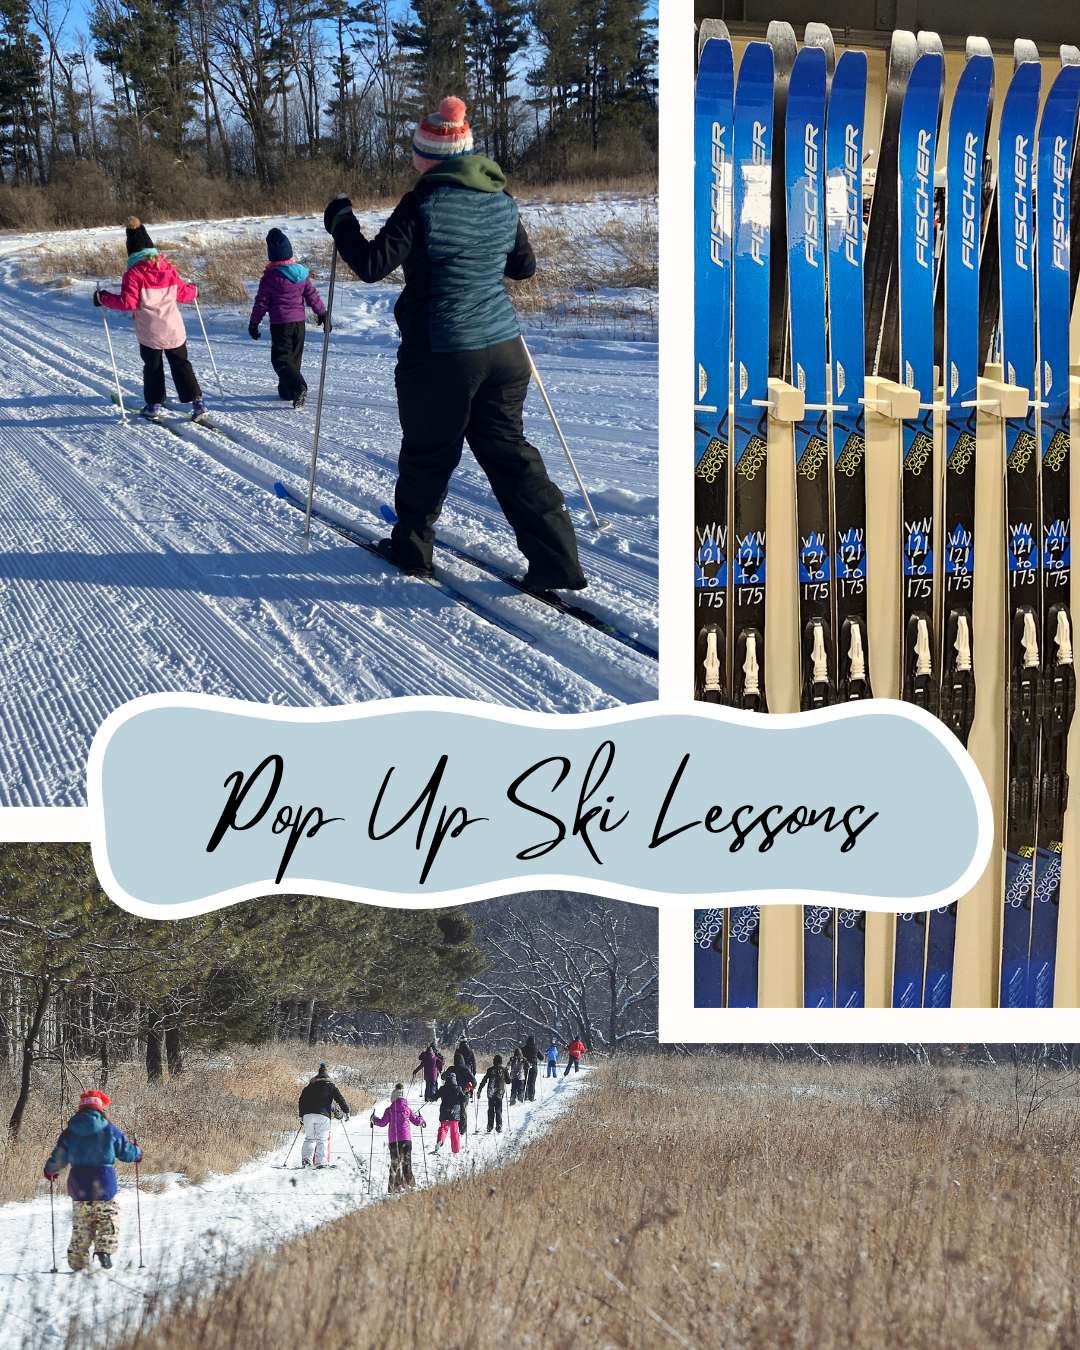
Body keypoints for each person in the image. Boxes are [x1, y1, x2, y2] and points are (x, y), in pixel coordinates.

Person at [322, 96, 586, 595]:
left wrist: (342, 222)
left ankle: (413, 548)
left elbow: (372, 265)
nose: (414, 164)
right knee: (510, 452)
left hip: (442, 352)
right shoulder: (502, 200)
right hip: (505, 350)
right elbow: (523, 268)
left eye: (418, 156)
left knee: (428, 452)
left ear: (430, 160)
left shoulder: (422, 202)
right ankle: (557, 561)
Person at [96, 217, 207, 424]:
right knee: (182, 364)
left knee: (153, 368)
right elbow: (183, 295)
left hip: (150, 333)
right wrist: (194, 290)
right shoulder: (169, 269)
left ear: (132, 252)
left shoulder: (133, 275)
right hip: (174, 330)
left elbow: (127, 303)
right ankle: (197, 402)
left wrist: (103, 297)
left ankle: (153, 406)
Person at [43, 1089, 142, 1271]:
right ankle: (104, 1250)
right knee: (107, 1220)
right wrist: (138, 1153)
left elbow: (59, 1157)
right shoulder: (109, 1130)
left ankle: (78, 1263)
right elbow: (126, 1151)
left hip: (78, 1184)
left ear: (80, 1109)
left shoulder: (70, 1132)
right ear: (100, 1109)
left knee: (82, 1226)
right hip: (104, 1183)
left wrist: (50, 1170)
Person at [247, 227, 327, 410]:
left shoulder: (268, 278)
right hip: (299, 323)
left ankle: (299, 387)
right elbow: (312, 295)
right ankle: (286, 391)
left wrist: (254, 323)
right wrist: (322, 313)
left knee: (281, 360)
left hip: (280, 324)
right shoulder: (301, 274)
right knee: (294, 359)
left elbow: (261, 303)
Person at [371, 1084, 425, 1192]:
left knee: (395, 1165)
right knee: (407, 1163)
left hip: (394, 1141)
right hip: (406, 1140)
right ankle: (410, 1185)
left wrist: (374, 1119)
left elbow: (382, 1123)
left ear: (393, 1097)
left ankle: (395, 1187)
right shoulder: (407, 1110)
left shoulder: (389, 1110)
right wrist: (421, 1119)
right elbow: (416, 1121)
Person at [297, 1063, 351, 1168]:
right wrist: (346, 1111)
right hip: (323, 1115)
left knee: (309, 1138)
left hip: (308, 1115)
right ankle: (321, 1163)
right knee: (322, 1139)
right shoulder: (330, 1086)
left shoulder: (309, 1086)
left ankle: (306, 1161)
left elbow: (301, 1100)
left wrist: (301, 1115)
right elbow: (340, 1099)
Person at [477, 1055, 511, 1132]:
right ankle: (499, 1126)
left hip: (491, 1092)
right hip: (499, 1092)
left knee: (491, 1110)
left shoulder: (490, 1070)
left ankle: (490, 1126)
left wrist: (479, 1090)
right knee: (498, 1110)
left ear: (494, 1061)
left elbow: (484, 1080)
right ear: (501, 1062)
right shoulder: (503, 1070)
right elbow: (509, 1081)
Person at [434, 1068, 466, 1154]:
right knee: (454, 1131)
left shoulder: (442, 1088)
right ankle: (455, 1149)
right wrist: (467, 1094)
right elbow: (463, 1099)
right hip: (454, 1112)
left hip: (444, 1111)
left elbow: (434, 1097)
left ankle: (440, 1140)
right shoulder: (458, 1088)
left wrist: (429, 1098)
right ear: (455, 1079)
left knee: (443, 1128)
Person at [523, 1035, 539, 1101]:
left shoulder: (523, 1048)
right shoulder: (536, 1049)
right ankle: (531, 1097)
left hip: (525, 1066)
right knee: (532, 1082)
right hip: (534, 1066)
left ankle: (524, 1096)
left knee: (525, 1081)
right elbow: (541, 1057)